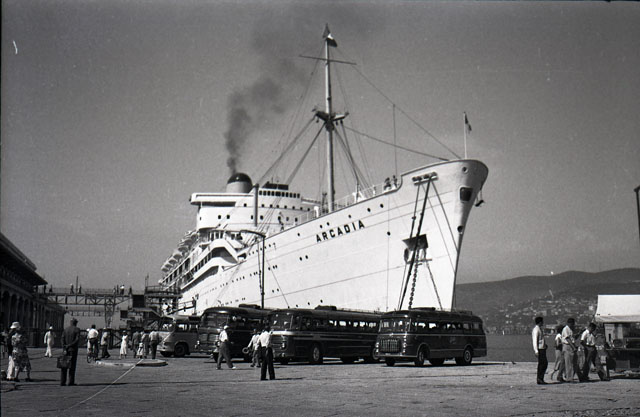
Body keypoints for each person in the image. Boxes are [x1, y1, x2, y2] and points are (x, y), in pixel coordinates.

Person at [61, 318, 81, 386]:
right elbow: (77, 340)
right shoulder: (77, 329)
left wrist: (64, 346)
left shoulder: (65, 329)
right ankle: (71, 381)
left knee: (64, 365)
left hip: (65, 350)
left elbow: (62, 339)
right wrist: (69, 345)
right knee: (72, 366)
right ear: (76, 323)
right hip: (73, 349)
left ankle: (62, 381)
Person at [561, 318, 580, 382]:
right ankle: (569, 378)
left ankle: (569, 376)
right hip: (567, 346)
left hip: (571, 345)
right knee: (568, 363)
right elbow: (568, 339)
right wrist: (573, 347)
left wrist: (579, 334)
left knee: (573, 362)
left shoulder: (571, 329)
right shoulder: (565, 329)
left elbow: (573, 338)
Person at [531, 316, 548, 384]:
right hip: (540, 349)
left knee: (543, 364)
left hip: (542, 348)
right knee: (542, 364)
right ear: (540, 322)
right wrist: (536, 351)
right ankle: (539, 378)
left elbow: (541, 340)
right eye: (542, 322)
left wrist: (545, 345)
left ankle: (541, 378)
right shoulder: (536, 330)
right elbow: (535, 341)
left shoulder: (539, 329)